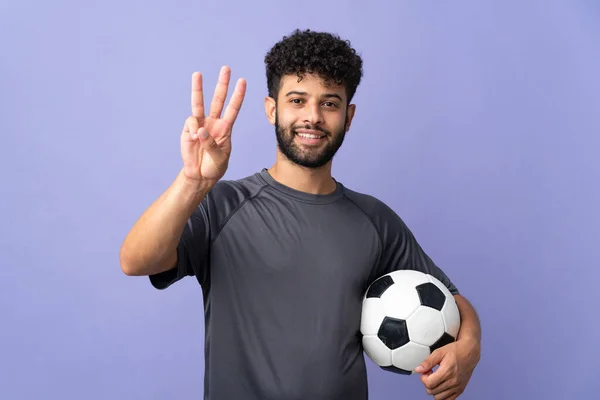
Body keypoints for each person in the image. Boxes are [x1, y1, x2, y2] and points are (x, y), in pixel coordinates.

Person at [120, 29, 481, 400]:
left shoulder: (374, 220)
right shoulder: (222, 204)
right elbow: (135, 260)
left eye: (329, 103)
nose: (313, 117)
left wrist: (470, 346)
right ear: (272, 109)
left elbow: (450, 298)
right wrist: (193, 182)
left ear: (348, 115)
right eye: (297, 99)